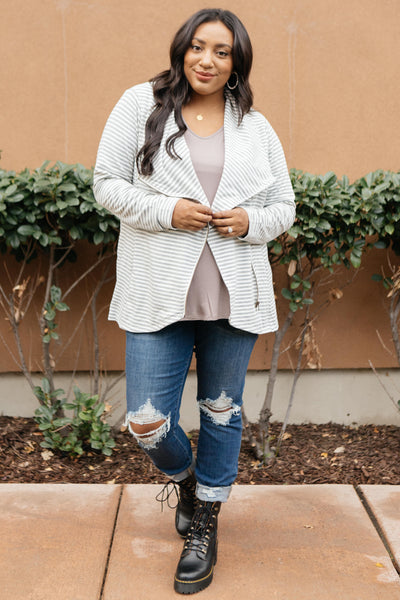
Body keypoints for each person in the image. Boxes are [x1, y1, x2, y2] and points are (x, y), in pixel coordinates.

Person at [93, 7, 295, 595]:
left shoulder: (254, 124)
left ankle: (205, 521)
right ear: (182, 49)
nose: (207, 60)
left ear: (237, 63)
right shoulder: (140, 105)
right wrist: (168, 212)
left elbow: (284, 205)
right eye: (199, 47)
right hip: (158, 291)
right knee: (145, 420)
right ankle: (186, 479)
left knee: (222, 412)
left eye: (222, 52)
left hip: (233, 296)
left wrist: (249, 221)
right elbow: (106, 183)